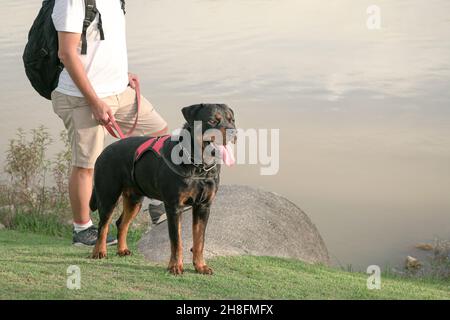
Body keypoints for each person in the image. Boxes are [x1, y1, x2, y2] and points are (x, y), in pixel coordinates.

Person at [51, 0, 168, 246]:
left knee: (158, 132)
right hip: (82, 96)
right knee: (87, 163)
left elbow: (103, 45)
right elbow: (66, 52)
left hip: (119, 90)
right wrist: (94, 101)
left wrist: (120, 74)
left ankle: (155, 204)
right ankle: (82, 231)